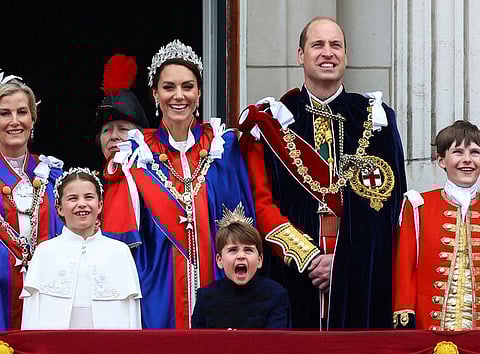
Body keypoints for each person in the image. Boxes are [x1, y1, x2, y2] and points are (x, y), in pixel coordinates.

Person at [238, 17, 407, 329]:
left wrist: (343, 262)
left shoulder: (377, 120)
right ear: (301, 54)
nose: (327, 53)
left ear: (346, 55)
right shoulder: (272, 121)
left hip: (360, 281)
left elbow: (389, 212)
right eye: (318, 45)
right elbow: (260, 205)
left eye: (335, 45)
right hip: (291, 277)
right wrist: (310, 259)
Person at [102, 40, 255, 329]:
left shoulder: (224, 147)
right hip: (157, 296)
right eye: (169, 87)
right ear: (155, 94)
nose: (179, 96)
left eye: (187, 86)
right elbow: (119, 245)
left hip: (221, 290)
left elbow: (243, 230)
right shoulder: (135, 155)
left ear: (199, 93)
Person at [21, 167, 142, 329]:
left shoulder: (120, 252)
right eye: (72, 198)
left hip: (108, 350)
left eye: (89, 197)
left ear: (99, 205)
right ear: (60, 209)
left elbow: (131, 315)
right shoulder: (45, 252)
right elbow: (31, 316)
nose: (82, 204)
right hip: (56, 350)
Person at [393, 120, 480, 330]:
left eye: (475, 152)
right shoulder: (418, 206)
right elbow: (405, 266)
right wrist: (404, 313)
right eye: (458, 152)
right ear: (441, 160)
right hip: (429, 330)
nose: (467, 160)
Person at [0, 70, 64, 330]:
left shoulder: (53, 174)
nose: (15, 121)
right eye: (4, 113)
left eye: (22, 112)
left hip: (47, 295)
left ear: (33, 119)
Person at [191, 212, 291, 329]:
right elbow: (196, 343)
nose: (241, 256)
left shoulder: (276, 295)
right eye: (233, 250)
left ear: (259, 260)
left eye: (248, 250)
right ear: (219, 260)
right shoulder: (206, 297)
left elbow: (278, 343)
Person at [96, 55, 149, 161]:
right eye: (106, 130)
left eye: (123, 129)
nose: (114, 136)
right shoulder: (88, 178)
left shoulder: (158, 177)